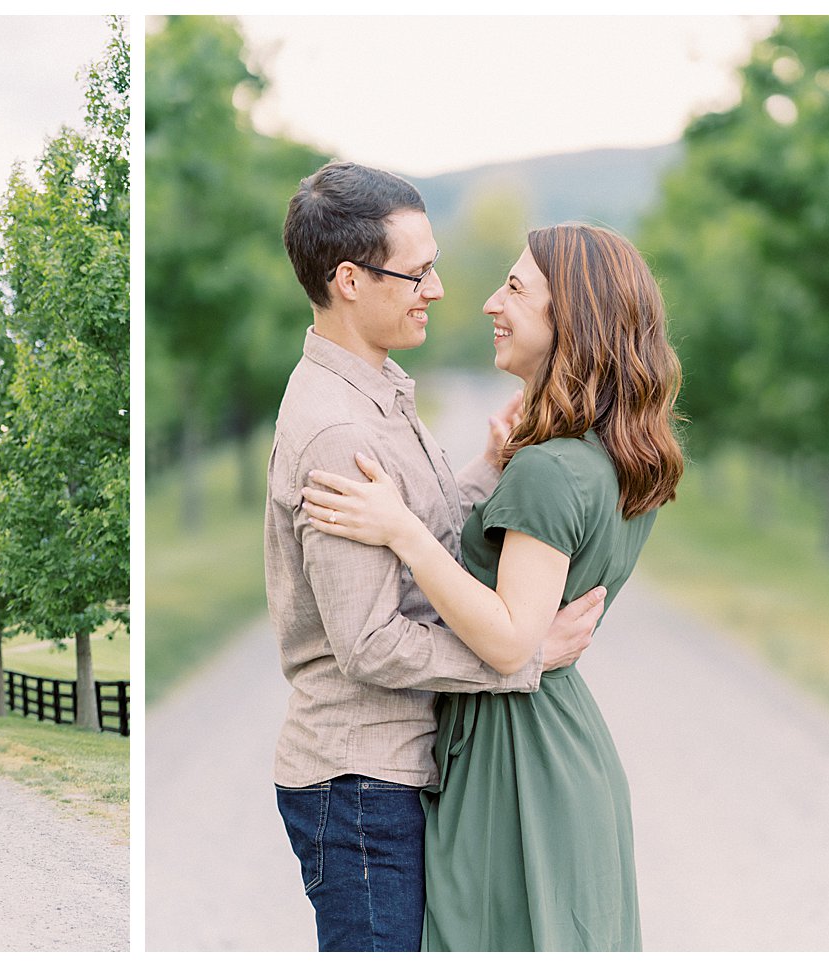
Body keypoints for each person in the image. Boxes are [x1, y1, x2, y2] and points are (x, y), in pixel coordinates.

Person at [302, 223, 684, 950]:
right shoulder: (608, 457)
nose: (487, 304)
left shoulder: (547, 469)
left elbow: (510, 637)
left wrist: (401, 529)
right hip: (559, 755)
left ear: (571, 317)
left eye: (514, 287)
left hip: (517, 769)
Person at [265, 160, 608, 952]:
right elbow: (370, 641)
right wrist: (522, 657)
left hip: (387, 775)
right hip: (358, 786)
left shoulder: (373, 388)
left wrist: (485, 470)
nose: (439, 289)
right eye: (416, 272)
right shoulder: (338, 431)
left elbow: (413, 529)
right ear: (349, 280)